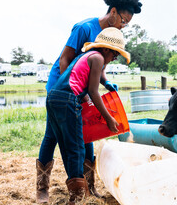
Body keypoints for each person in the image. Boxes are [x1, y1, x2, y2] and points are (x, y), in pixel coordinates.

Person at [36, 0, 142, 203]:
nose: (123, 26)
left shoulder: (109, 36)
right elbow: (67, 60)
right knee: (53, 136)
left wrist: (105, 81)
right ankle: (42, 189)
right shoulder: (85, 28)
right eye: (123, 20)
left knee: (87, 134)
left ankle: (88, 187)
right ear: (113, 12)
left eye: (127, 24)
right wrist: (82, 94)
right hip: (63, 87)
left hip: (81, 88)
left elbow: (97, 63)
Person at [47, 27, 130, 204]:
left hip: (53, 98)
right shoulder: (99, 58)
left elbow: (91, 79)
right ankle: (78, 199)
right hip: (69, 99)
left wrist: (107, 84)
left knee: (66, 146)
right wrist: (108, 118)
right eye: (115, 54)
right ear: (106, 49)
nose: (114, 58)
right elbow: (93, 91)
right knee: (77, 147)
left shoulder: (87, 55)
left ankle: (78, 192)